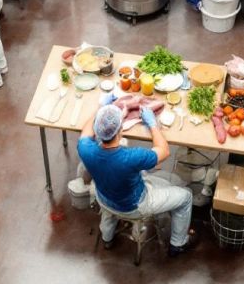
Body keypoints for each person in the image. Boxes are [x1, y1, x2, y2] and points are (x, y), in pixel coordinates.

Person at [78, 94, 196, 256]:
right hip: (135, 205)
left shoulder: (86, 149)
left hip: (104, 198)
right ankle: (178, 243)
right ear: (121, 130)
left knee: (117, 193)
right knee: (186, 196)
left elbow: (86, 131)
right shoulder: (132, 157)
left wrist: (101, 109)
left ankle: (107, 238)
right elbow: (164, 151)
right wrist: (153, 124)